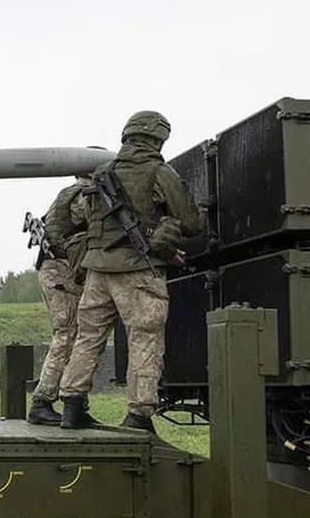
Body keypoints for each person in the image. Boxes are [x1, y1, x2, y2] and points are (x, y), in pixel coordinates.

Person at [58, 111, 202, 432]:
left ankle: (72, 405)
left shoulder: (101, 173)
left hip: (96, 271)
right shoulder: (159, 172)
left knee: (88, 338)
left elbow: (81, 217)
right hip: (138, 270)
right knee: (145, 339)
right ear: (158, 139)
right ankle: (139, 415)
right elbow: (192, 222)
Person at [26, 175, 89, 425]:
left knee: (73, 334)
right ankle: (42, 402)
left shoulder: (69, 195)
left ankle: (72, 403)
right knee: (68, 334)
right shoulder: (83, 197)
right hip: (61, 270)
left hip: (56, 269)